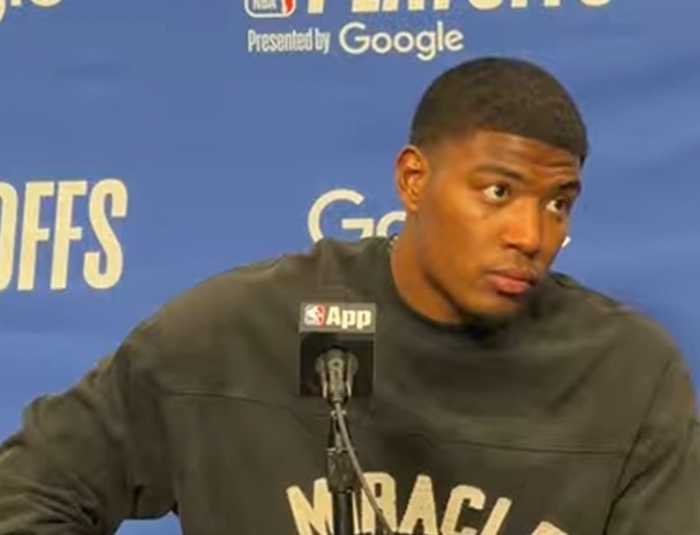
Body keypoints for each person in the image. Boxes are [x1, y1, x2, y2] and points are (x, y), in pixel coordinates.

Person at [0, 57, 697, 535]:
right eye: (498, 191)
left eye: (559, 203)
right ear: (413, 180)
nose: (531, 234)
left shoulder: (628, 377)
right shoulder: (240, 333)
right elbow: (29, 492)